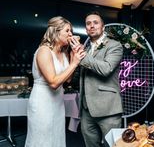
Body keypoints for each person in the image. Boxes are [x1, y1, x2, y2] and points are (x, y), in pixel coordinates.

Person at [25, 16, 85, 147]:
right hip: (42, 102)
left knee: (56, 137)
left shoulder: (63, 53)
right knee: (42, 139)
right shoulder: (44, 51)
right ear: (56, 32)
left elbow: (67, 80)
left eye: (71, 31)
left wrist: (72, 56)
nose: (71, 34)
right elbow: (53, 83)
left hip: (57, 102)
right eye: (67, 31)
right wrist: (74, 63)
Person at [77, 11, 124, 147]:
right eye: (88, 23)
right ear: (86, 28)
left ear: (103, 27)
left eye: (95, 23)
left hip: (108, 108)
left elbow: (106, 69)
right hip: (86, 109)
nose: (91, 26)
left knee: (113, 145)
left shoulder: (114, 45)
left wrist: (82, 55)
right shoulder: (85, 48)